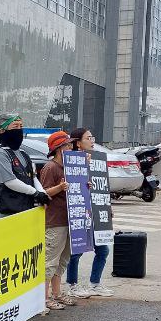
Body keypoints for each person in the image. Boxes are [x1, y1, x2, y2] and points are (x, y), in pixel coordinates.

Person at [64, 127, 113, 299]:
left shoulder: (97, 159)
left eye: (93, 137)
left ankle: (95, 283)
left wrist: (106, 207)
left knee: (103, 250)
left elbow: (101, 187)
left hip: (95, 211)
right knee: (76, 251)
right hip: (79, 213)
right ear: (78, 142)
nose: (92, 140)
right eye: (88, 137)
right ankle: (72, 284)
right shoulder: (69, 161)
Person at [0, 112, 48, 221]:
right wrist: (35, 193)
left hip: (24, 210)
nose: (19, 130)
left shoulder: (24, 154)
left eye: (21, 127)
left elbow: (33, 177)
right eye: (15, 126)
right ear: (2, 131)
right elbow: (10, 182)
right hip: (3, 213)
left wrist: (43, 193)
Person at [37, 130, 75, 309]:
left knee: (62, 260)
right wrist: (60, 187)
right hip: (55, 220)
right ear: (60, 148)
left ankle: (57, 294)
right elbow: (43, 193)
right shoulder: (50, 167)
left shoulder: (70, 167)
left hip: (70, 219)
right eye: (68, 144)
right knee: (50, 261)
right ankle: (44, 298)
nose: (71, 147)